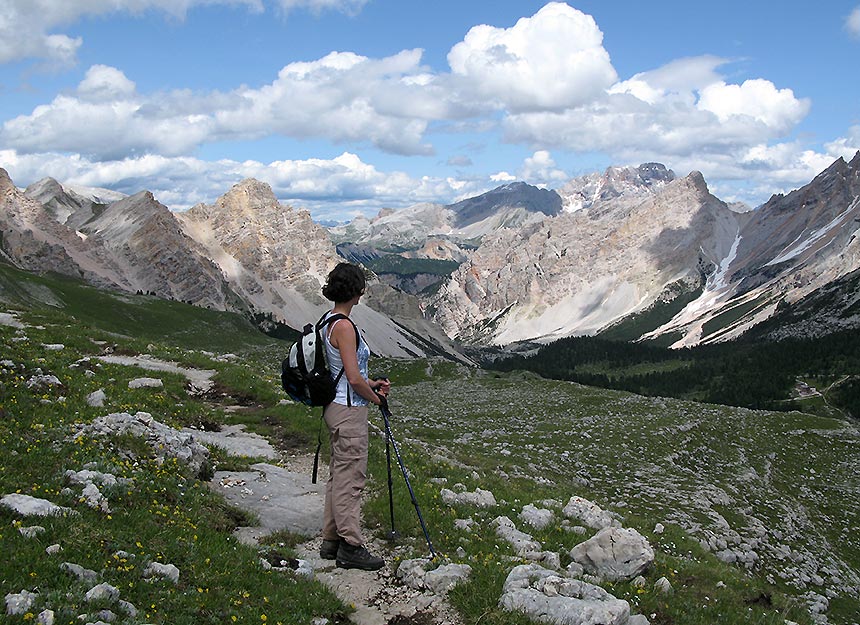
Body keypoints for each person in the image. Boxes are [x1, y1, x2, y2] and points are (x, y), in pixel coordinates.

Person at [318, 262, 391, 571]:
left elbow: (346, 372)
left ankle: (330, 540)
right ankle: (351, 546)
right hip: (349, 411)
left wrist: (369, 382)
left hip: (335, 406)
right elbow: (353, 378)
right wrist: (375, 397)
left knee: (339, 473)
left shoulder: (327, 320)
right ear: (355, 291)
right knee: (352, 477)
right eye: (361, 287)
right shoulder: (345, 327)